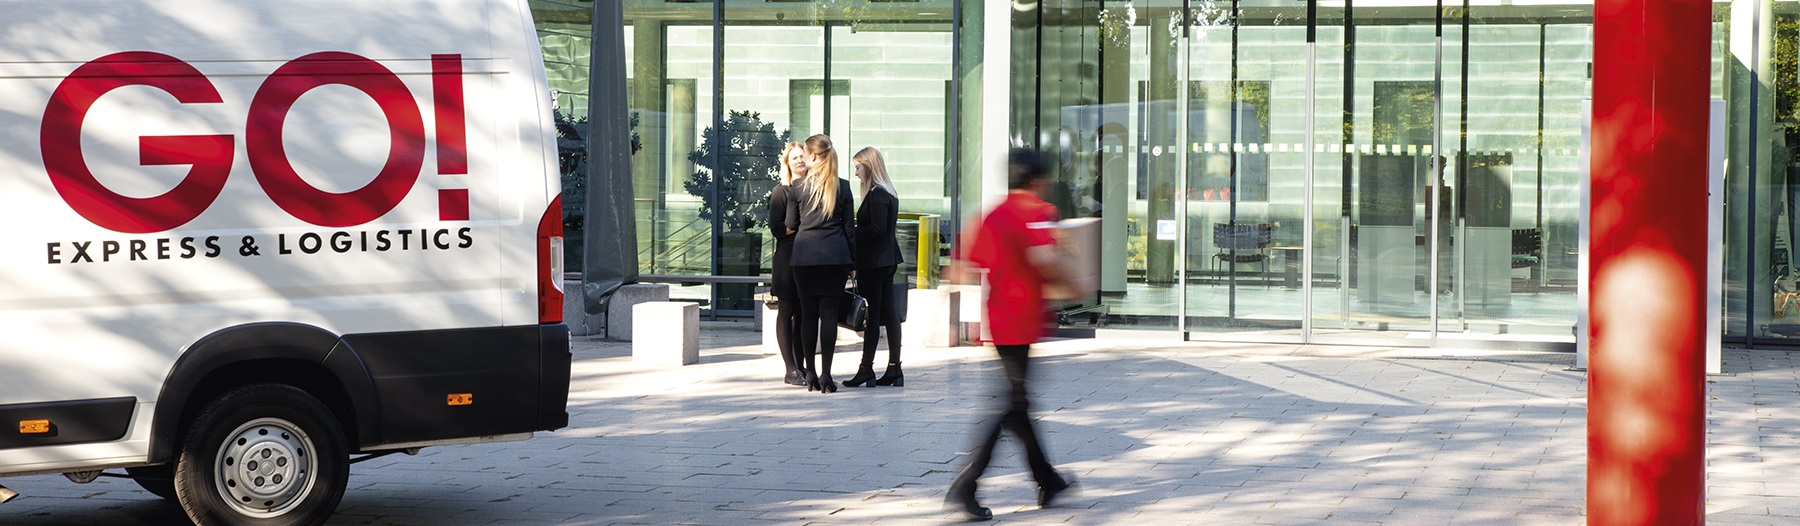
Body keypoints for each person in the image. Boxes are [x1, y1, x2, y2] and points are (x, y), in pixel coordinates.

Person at [945, 148, 1074, 521]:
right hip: (1022, 318)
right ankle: (965, 486)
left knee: (1018, 405)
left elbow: (964, 266)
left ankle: (1048, 480)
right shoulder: (1037, 212)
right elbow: (1045, 260)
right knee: (1012, 406)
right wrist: (1073, 283)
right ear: (1036, 179)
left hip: (998, 319)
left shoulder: (993, 214)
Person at [785, 134, 855, 394]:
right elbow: (850, 230)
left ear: (813, 157)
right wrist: (853, 261)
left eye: (804, 153)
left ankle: (810, 373)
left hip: (804, 258)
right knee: (828, 317)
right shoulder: (844, 187)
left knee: (807, 316)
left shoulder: (798, 187)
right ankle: (827, 374)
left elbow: (791, 225)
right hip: (835, 257)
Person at [844, 147, 904, 388]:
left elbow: (877, 230)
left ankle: (866, 368)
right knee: (890, 315)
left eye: (858, 167)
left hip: (876, 262)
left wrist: (851, 231)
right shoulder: (888, 193)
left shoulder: (877, 195)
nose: (856, 172)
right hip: (887, 261)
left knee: (873, 316)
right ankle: (894, 369)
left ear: (868, 166)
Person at [768, 142, 808, 386]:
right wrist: (798, 227)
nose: (800, 161)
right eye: (794, 158)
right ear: (787, 163)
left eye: (802, 156)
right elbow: (777, 229)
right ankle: (790, 368)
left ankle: (801, 365)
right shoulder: (780, 192)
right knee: (786, 310)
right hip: (787, 259)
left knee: (804, 313)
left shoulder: (814, 189)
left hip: (809, 258)